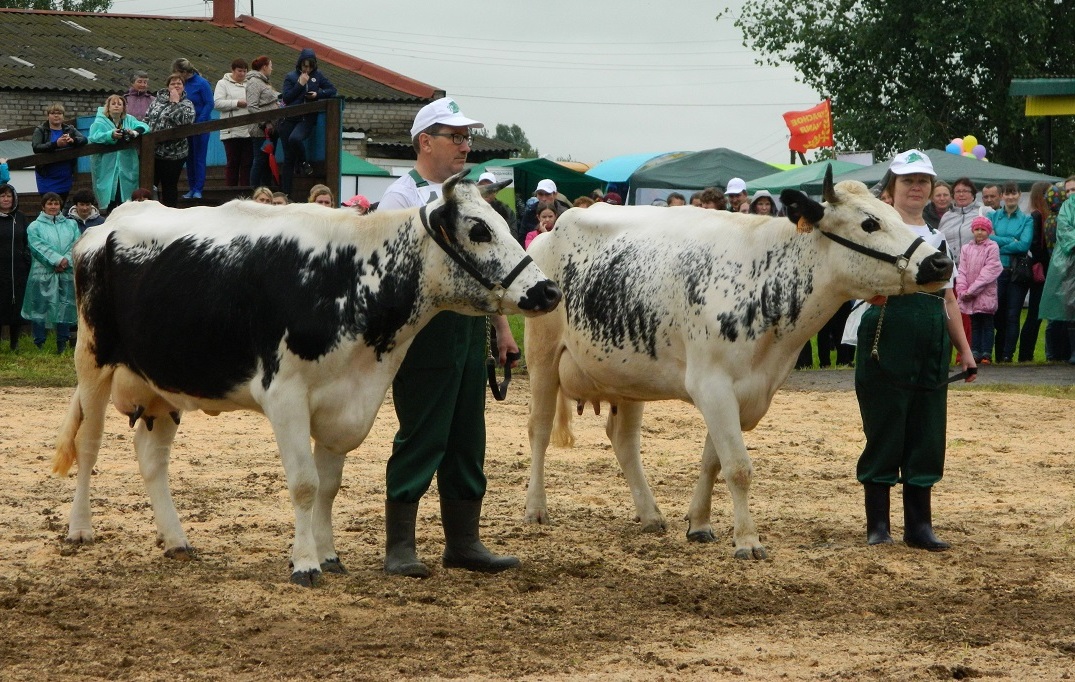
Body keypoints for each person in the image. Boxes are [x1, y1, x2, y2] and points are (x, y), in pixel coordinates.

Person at [377, 96, 520, 577]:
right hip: (424, 334)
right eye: (455, 137)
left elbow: (487, 270)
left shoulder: (469, 196)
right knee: (422, 433)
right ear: (425, 142)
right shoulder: (401, 197)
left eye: (467, 138)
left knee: (466, 437)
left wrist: (500, 325)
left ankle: (464, 541)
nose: (465, 146)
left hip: (468, 327)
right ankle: (400, 546)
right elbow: (390, 276)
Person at [855, 150, 975, 552]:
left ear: (931, 189)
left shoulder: (938, 238)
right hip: (886, 333)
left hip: (931, 338)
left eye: (923, 181)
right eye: (907, 181)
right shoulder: (874, 233)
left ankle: (919, 527)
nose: (916, 187)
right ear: (890, 190)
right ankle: (878, 526)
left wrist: (965, 351)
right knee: (886, 427)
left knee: (927, 431)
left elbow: (950, 299)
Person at [21, 192, 80, 354]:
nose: (53, 207)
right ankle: (39, 343)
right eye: (49, 204)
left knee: (65, 305)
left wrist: (66, 261)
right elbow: (36, 246)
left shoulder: (71, 225)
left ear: (60, 206)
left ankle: (62, 341)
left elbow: (77, 243)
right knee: (40, 307)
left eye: (56, 204)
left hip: (66, 273)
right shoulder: (34, 226)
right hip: (42, 273)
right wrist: (55, 261)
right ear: (43, 206)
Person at [278, 48, 337, 198]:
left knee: (295, 138)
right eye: (304, 66)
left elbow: (332, 90)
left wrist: (318, 95)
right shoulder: (291, 77)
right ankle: (286, 194)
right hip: (289, 119)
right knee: (288, 158)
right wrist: (300, 84)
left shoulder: (318, 76)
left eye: (310, 66)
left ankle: (304, 162)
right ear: (300, 64)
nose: (307, 69)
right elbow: (286, 98)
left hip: (306, 118)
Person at [988, 182, 1033, 362]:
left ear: (1019, 195)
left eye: (1013, 193)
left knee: (1013, 315)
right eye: (1007, 194)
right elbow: (988, 240)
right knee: (997, 314)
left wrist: (999, 243)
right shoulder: (993, 216)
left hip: (1016, 273)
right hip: (996, 272)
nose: (1010, 197)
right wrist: (1010, 241)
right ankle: (997, 354)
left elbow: (1024, 245)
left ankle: (1007, 355)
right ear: (1002, 196)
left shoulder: (1027, 219)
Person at [88, 93, 149, 213]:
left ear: (123, 107)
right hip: (107, 164)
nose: (116, 106)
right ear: (108, 107)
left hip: (126, 163)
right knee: (110, 193)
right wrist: (110, 135)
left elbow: (145, 127)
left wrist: (134, 132)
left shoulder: (129, 119)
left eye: (119, 104)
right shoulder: (100, 121)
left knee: (125, 195)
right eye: (113, 104)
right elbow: (94, 136)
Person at [144, 72, 196, 208]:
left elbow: (184, 121)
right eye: (173, 83)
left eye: (179, 83)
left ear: (184, 86)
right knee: (150, 185)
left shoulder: (187, 104)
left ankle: (170, 213)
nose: (176, 85)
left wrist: (174, 103)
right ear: (168, 86)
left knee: (169, 186)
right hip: (153, 152)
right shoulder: (156, 101)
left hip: (174, 154)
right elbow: (147, 119)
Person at [956, 217, 1003, 364]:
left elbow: (990, 271)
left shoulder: (992, 247)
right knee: (975, 324)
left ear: (988, 231)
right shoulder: (966, 249)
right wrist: (962, 289)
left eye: (983, 229)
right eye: (977, 229)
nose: (980, 232)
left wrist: (973, 290)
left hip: (985, 293)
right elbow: (962, 271)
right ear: (972, 231)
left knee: (987, 324)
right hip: (970, 295)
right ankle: (975, 351)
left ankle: (986, 353)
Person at [1039, 175, 1075, 364]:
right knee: (1068, 310)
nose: (1070, 194)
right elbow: (1065, 233)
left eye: (1073, 190)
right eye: (1067, 190)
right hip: (1068, 267)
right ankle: (1061, 353)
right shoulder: (1063, 212)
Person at [1017, 181, 1052, 361]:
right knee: (1035, 314)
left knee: (1036, 314)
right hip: (1042, 270)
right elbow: (1036, 245)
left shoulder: (1039, 215)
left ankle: (1026, 353)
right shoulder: (1038, 216)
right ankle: (1025, 354)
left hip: (1040, 268)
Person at [171, 58, 213, 200]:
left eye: (177, 73)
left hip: (200, 127)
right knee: (189, 158)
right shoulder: (182, 84)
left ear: (184, 71)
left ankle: (198, 189)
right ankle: (191, 187)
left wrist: (200, 121)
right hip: (186, 127)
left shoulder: (202, 83)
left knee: (199, 157)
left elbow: (209, 103)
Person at [31, 103, 87, 205]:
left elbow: (84, 139)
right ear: (48, 115)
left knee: (60, 205)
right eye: (53, 113)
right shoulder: (41, 130)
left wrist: (72, 140)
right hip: (46, 176)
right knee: (49, 204)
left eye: (59, 113)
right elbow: (36, 147)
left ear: (63, 116)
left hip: (64, 176)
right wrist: (55, 144)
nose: (56, 116)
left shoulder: (69, 129)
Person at [0, 184, 30, 351]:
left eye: (9, 196)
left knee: (15, 305)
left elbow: (27, 241)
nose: (6, 199)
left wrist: (25, 259)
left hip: (17, 269)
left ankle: (14, 343)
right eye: (2, 196)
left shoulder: (20, 217)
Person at [214, 58, 252, 187]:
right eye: (239, 71)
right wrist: (236, 103)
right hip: (231, 130)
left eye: (244, 71)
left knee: (247, 163)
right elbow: (217, 103)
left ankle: (245, 189)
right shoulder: (222, 83)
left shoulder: (251, 83)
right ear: (233, 70)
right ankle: (231, 190)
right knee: (233, 162)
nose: (242, 74)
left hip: (249, 129)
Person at [246, 56, 279, 189]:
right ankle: (254, 189)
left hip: (270, 129)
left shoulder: (263, 82)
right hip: (261, 130)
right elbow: (252, 106)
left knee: (267, 161)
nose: (272, 68)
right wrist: (265, 123)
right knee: (260, 160)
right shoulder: (254, 82)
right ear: (264, 67)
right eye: (270, 65)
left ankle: (266, 189)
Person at [938, 177, 984, 269]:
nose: (961, 194)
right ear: (953, 195)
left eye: (965, 191)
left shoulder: (984, 212)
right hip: (950, 268)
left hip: (976, 267)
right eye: (958, 192)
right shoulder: (946, 216)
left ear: (973, 194)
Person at [476, 171, 517, 238]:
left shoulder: (506, 211)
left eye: (490, 188)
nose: (486, 191)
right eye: (482, 187)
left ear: (496, 191)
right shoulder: (469, 208)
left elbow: (513, 233)